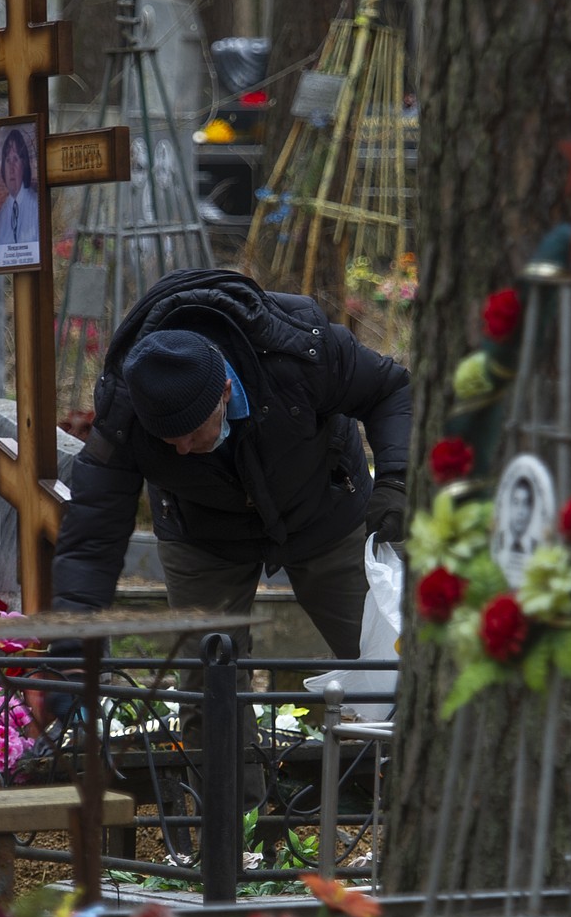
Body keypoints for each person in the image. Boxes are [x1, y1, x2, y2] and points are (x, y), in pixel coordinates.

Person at [46, 268, 411, 805]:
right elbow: (93, 528)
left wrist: (397, 481)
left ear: (223, 391)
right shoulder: (126, 408)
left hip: (322, 505)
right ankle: (231, 842)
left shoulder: (297, 349)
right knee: (209, 680)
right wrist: (73, 644)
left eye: (193, 435)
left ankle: (404, 814)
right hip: (202, 531)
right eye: (166, 441)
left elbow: (390, 389)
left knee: (388, 657)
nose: (180, 451)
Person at [0, 128, 40, 251]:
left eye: (15, 159)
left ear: (24, 164)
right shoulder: (1, 216)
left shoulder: (37, 207)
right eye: (8, 160)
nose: (11, 168)